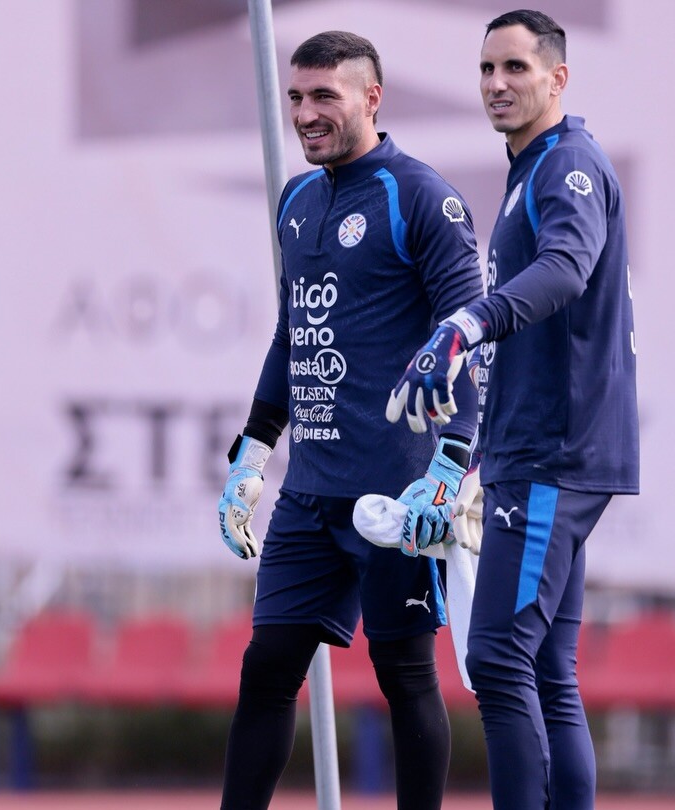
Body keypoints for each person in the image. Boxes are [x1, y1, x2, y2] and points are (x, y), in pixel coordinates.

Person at [216, 30, 485, 810]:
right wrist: (251, 457)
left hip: (394, 497)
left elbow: (470, 338)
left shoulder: (420, 197)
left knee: (404, 675)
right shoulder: (296, 201)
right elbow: (291, 335)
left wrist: (449, 468)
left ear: (371, 98)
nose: (305, 114)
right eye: (296, 97)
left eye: (324, 96)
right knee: (267, 668)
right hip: (309, 494)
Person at [386, 10, 639, 809]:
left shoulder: (567, 165)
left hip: (551, 456)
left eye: (516, 68)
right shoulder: (534, 167)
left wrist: (465, 324)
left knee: (497, 659)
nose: (497, 84)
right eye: (487, 69)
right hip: (543, 454)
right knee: (545, 671)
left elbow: (565, 267)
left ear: (557, 78)